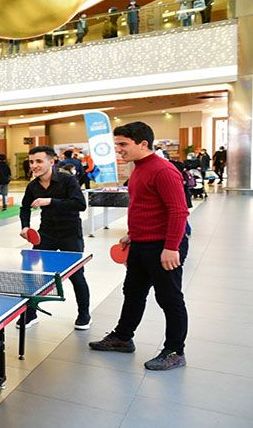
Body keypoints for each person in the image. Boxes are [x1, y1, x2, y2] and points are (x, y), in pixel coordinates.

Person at [89, 122, 190, 371]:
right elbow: (145, 208)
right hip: (141, 245)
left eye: (123, 145)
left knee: (169, 298)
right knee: (133, 292)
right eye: (117, 145)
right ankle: (123, 337)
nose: (118, 150)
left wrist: (171, 247)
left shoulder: (163, 170)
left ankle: (175, 351)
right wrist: (132, 234)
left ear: (143, 144)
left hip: (164, 247)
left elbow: (178, 211)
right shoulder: (139, 169)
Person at [19, 146, 91, 330]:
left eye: (39, 161)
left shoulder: (67, 180)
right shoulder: (33, 186)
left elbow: (80, 204)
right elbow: (24, 207)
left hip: (70, 233)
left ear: (51, 162)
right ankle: (31, 313)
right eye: (31, 162)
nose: (34, 165)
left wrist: (50, 201)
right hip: (47, 234)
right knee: (34, 274)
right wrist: (25, 226)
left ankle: (84, 314)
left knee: (77, 275)